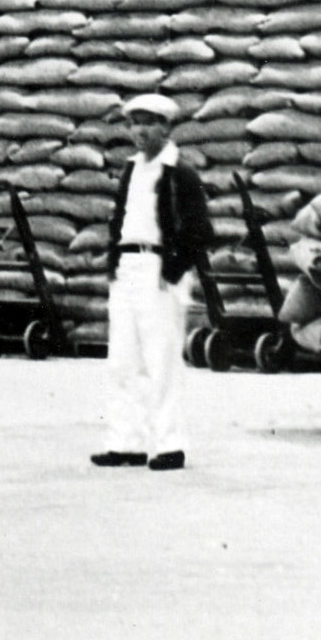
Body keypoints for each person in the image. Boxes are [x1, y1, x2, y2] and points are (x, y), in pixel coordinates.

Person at [93, 90, 216, 472]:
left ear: (166, 126)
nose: (139, 130)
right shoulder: (132, 169)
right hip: (128, 268)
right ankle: (125, 442)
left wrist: (175, 271)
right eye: (134, 122)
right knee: (122, 361)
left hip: (159, 270)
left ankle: (168, 444)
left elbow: (200, 231)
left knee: (161, 359)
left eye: (148, 122)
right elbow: (121, 218)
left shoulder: (180, 172)